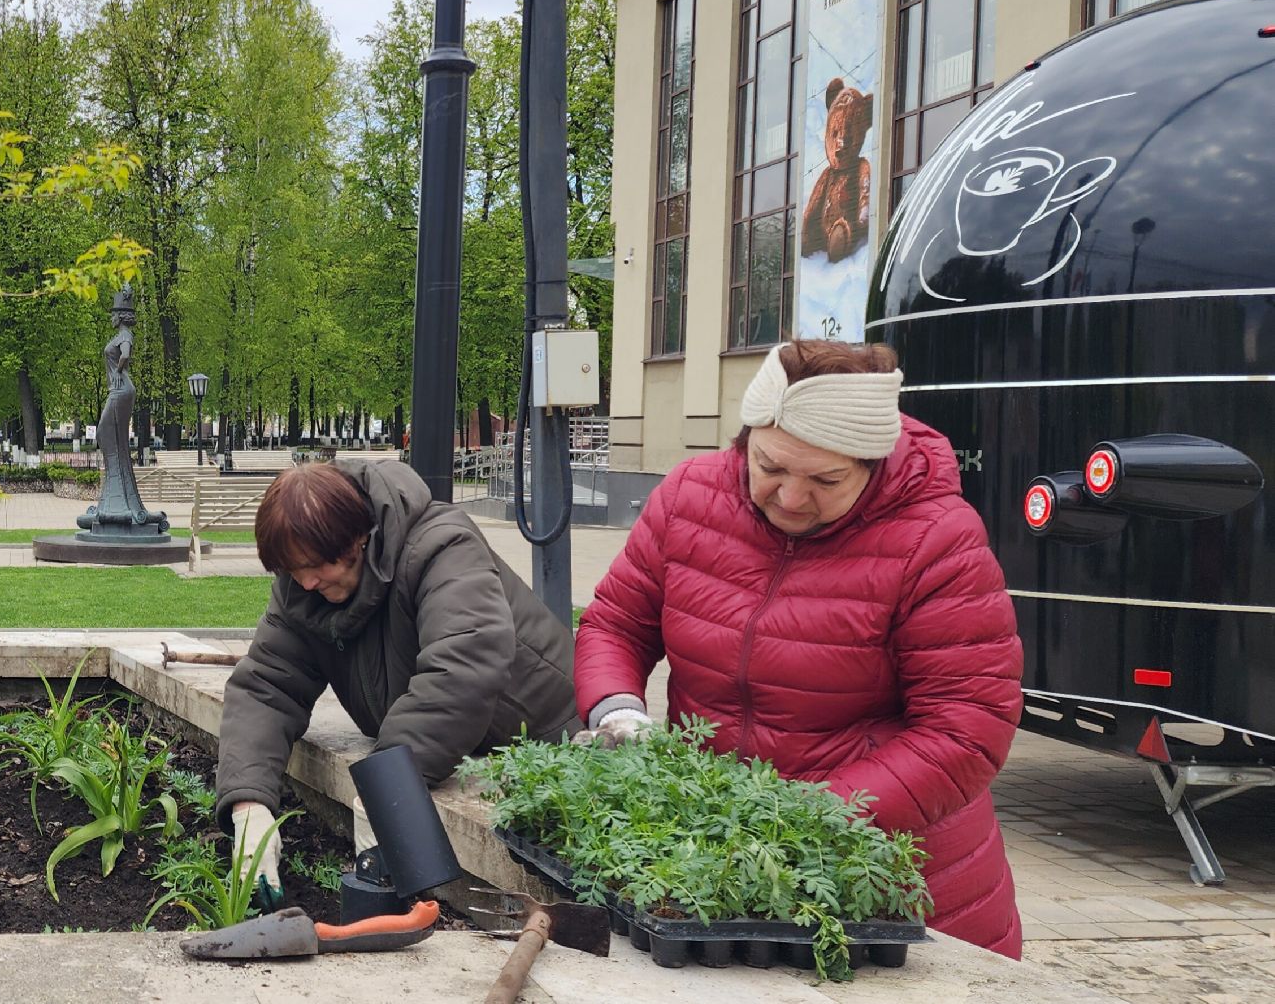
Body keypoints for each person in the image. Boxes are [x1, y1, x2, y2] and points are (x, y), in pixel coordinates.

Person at [575, 339, 1024, 958]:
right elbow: (616, 623)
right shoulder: (690, 498)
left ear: (872, 463)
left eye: (825, 479)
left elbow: (966, 730)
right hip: (720, 858)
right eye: (770, 466)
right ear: (745, 439)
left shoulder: (936, 540)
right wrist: (617, 707)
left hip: (892, 879)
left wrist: (807, 819)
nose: (789, 496)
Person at [214, 458, 579, 901]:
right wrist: (248, 806)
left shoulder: (442, 545)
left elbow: (462, 665)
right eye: (291, 569)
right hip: (460, 743)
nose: (305, 582)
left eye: (312, 566)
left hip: (552, 738)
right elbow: (266, 687)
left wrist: (389, 784)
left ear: (356, 538)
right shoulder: (302, 588)